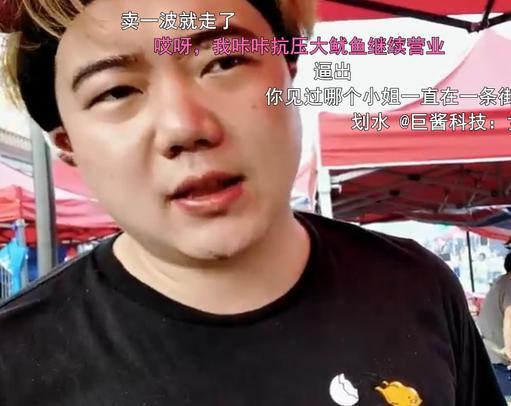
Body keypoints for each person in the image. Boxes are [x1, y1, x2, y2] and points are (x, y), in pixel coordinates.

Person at [0, 0, 505, 404]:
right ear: (68, 144)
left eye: (224, 61)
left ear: (290, 70)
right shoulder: (16, 362)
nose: (184, 126)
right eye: (115, 92)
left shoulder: (417, 287)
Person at [479, 252, 511, 397]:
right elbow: (510, 319)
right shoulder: (509, 285)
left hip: (492, 357)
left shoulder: (501, 283)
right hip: (502, 363)